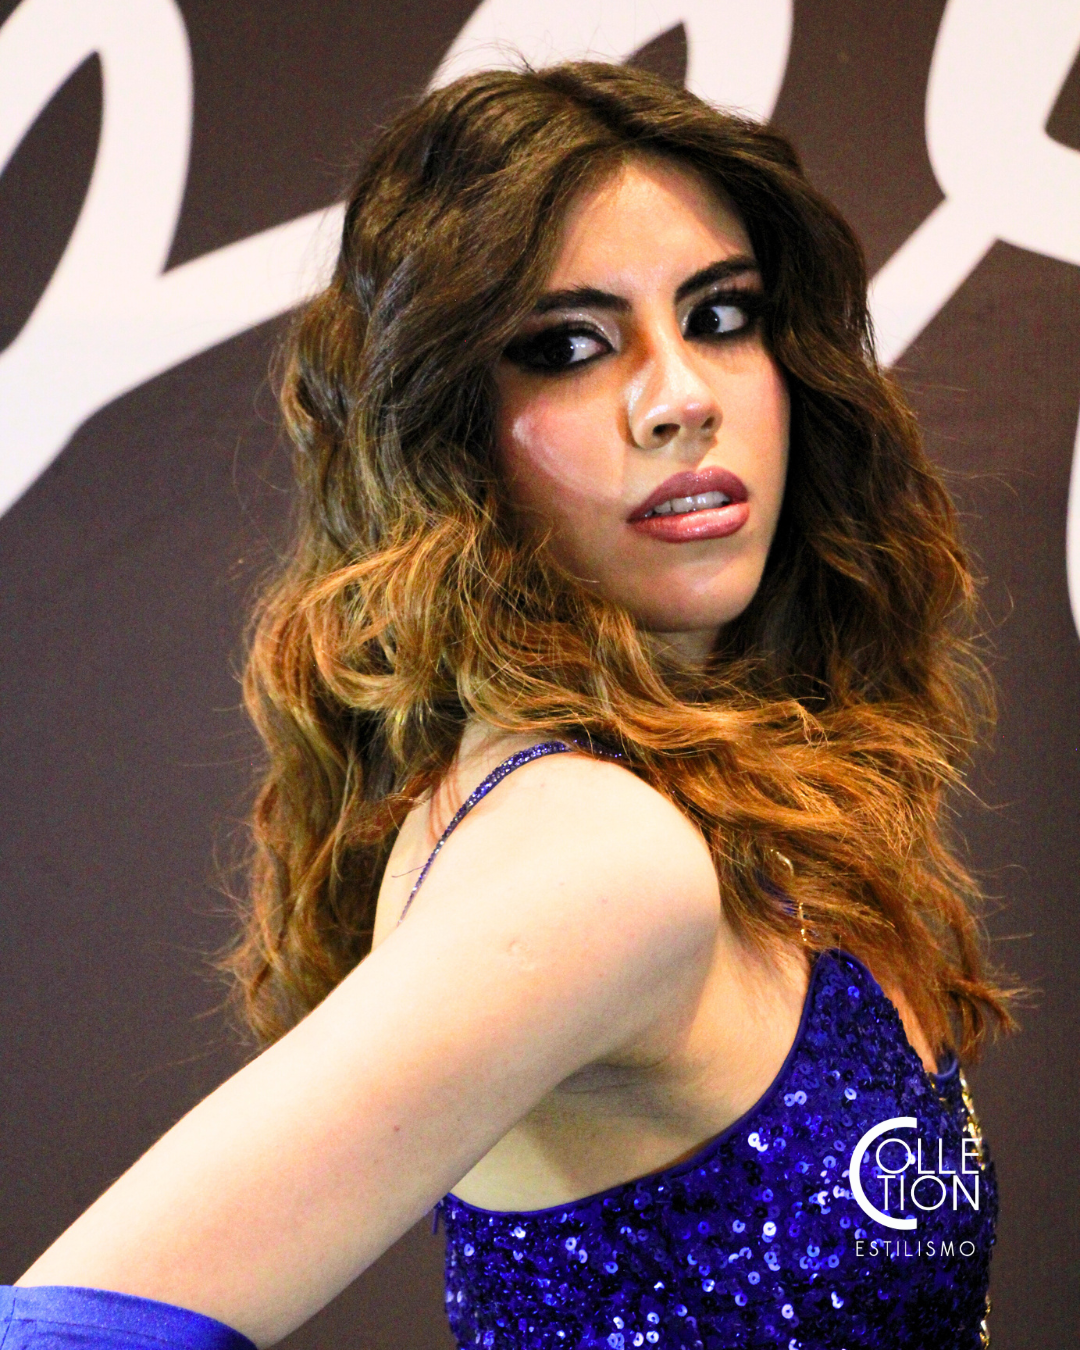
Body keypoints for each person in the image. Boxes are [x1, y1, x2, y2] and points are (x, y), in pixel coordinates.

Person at [2, 61, 1013, 1350]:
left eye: (721, 316)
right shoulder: (599, 855)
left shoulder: (678, 799)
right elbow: (72, 1327)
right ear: (452, 431)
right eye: (569, 347)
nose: (680, 398)